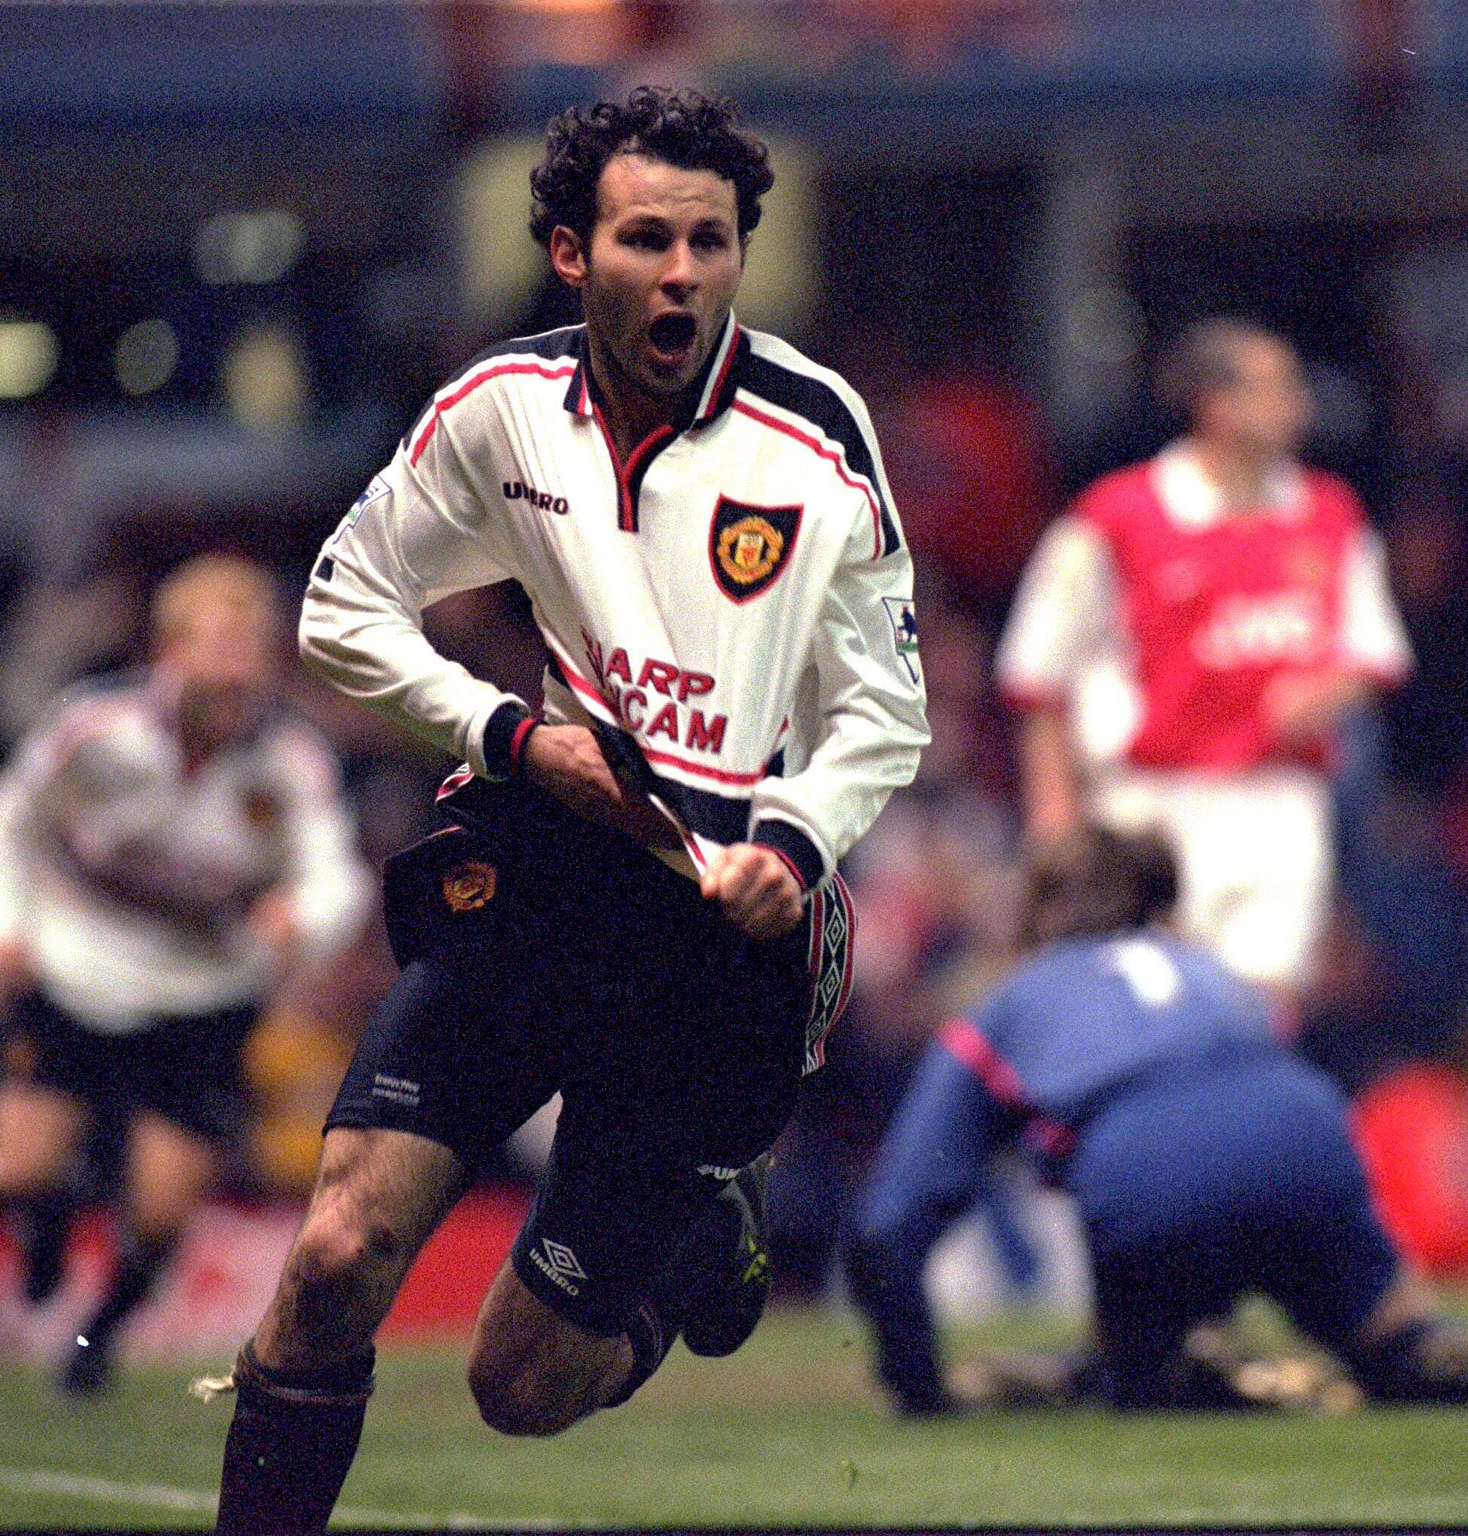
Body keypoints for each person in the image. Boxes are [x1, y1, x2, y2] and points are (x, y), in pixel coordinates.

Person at [210, 87, 927, 1534]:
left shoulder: (814, 434)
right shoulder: (500, 413)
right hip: (537, 876)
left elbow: (884, 709)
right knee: (339, 1250)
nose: (683, 275)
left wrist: (793, 841)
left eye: (710, 243)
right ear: (568, 253)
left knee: (517, 1387)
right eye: (648, 239)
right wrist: (511, 739)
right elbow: (346, 611)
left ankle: (685, 1255)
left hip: (712, 944)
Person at [846, 826, 1468, 1415]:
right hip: (1306, 1125)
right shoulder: (1210, 972)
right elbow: (1260, 1068)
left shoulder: (1005, 1004)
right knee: (1386, 1336)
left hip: (1149, 1163)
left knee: (1135, 1369)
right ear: (1158, 906)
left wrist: (917, 1386)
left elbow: (889, 1224)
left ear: (1035, 916)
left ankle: (1197, 1368)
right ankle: (1438, 1353)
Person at [0, 554, 371, 1395]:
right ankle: (43, 1225)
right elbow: (11, 818)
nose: (233, 669)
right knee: (19, 1171)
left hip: (202, 998)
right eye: (215, 646)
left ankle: (99, 1336)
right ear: (169, 650)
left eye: (249, 649)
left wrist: (305, 918)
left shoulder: (289, 764)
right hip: (74, 975)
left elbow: (338, 875)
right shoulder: (92, 729)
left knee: (157, 1215)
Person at [996, 319, 1411, 1000]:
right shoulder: (1116, 517)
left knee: (1263, 1018)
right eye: (1278, 387)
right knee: (1152, 1013)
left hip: (1280, 804)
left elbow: (1377, 655)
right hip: (1149, 809)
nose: (1298, 404)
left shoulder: (1331, 515)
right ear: (1216, 404)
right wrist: (1054, 825)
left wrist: (1326, 693)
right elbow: (1036, 677)